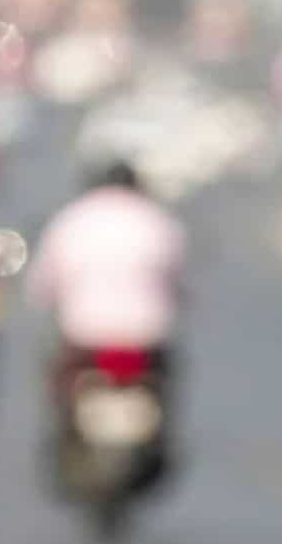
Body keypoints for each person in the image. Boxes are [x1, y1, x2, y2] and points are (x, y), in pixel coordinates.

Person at [29, 158, 186, 403]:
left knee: (58, 389)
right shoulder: (158, 220)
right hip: (145, 338)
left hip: (85, 338)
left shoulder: (72, 219)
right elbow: (177, 279)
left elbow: (43, 284)